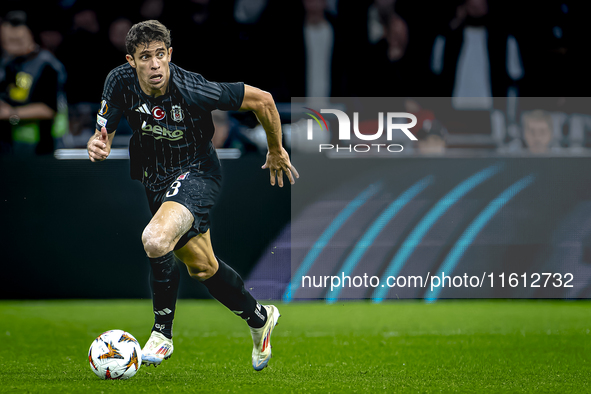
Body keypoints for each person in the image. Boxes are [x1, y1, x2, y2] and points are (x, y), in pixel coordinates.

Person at [87, 20, 298, 371]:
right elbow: (103, 128)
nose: (154, 64)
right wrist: (99, 141)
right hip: (155, 179)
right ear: (131, 61)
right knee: (203, 267)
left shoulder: (192, 88)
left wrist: (276, 150)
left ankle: (161, 334)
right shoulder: (118, 81)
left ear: (169, 55)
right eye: (145, 57)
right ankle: (260, 318)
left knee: (155, 239)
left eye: (160, 55)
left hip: (197, 172)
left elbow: (264, 100)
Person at [0, 10, 67, 155]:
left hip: (44, 144)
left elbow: (48, 108)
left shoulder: (46, 64)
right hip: (15, 144)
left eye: (16, 41)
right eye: (6, 41)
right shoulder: (9, 63)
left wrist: (11, 113)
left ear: (32, 35)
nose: (10, 46)